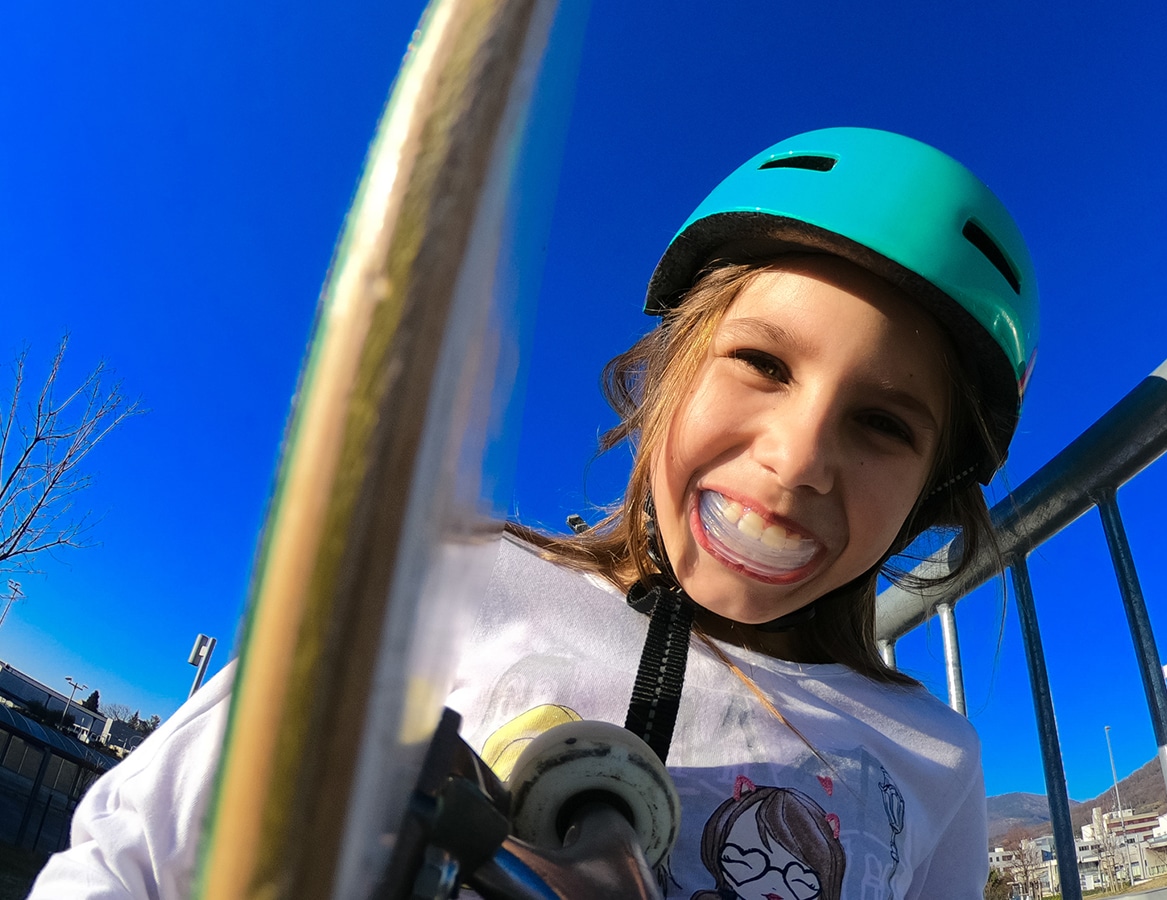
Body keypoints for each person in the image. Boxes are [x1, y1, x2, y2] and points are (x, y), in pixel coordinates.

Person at [30, 127, 1041, 899]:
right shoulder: (459, 582)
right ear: (664, 378)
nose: (798, 458)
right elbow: (136, 846)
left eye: (880, 425)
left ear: (928, 499)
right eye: (761, 364)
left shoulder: (933, 760)